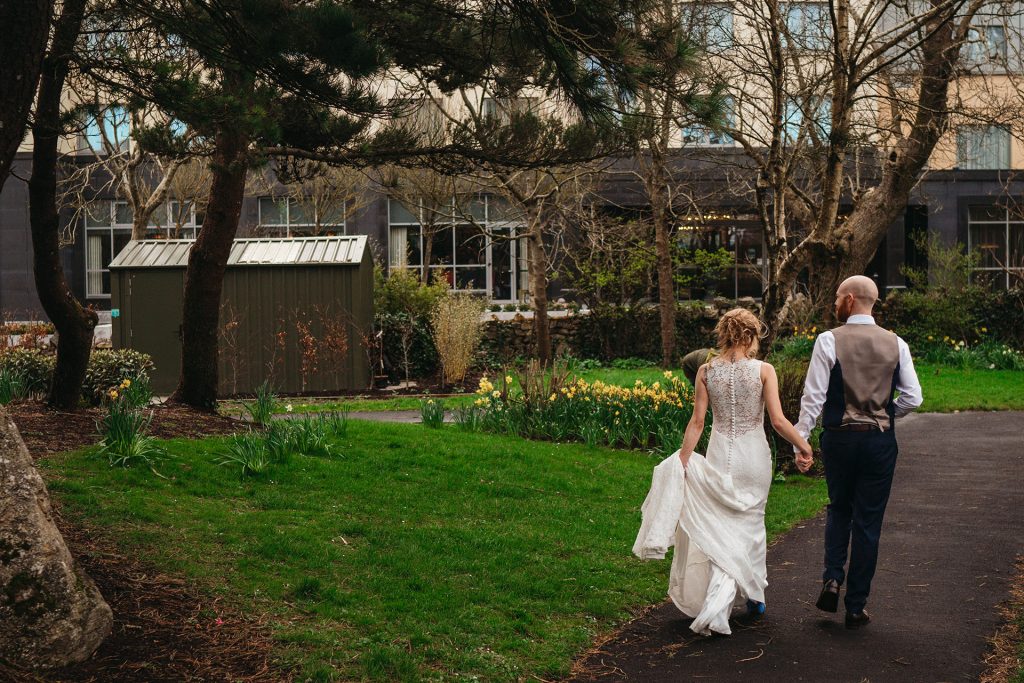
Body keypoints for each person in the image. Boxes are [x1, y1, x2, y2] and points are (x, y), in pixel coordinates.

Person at [633, 308, 813, 636]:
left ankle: (728, 597)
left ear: (725, 334)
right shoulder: (763, 370)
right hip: (753, 456)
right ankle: (753, 596)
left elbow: (698, 421)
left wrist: (684, 458)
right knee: (752, 523)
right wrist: (803, 445)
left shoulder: (705, 371)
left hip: (719, 452)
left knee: (721, 524)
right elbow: (777, 420)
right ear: (749, 336)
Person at [794, 275, 922, 629]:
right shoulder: (897, 344)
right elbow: (914, 397)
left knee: (839, 508)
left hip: (840, 438)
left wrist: (800, 441)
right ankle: (856, 605)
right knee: (869, 522)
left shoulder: (828, 340)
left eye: (837, 297)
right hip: (879, 442)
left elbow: (814, 398)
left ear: (850, 300)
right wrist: (883, 414)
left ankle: (832, 578)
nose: (834, 303)